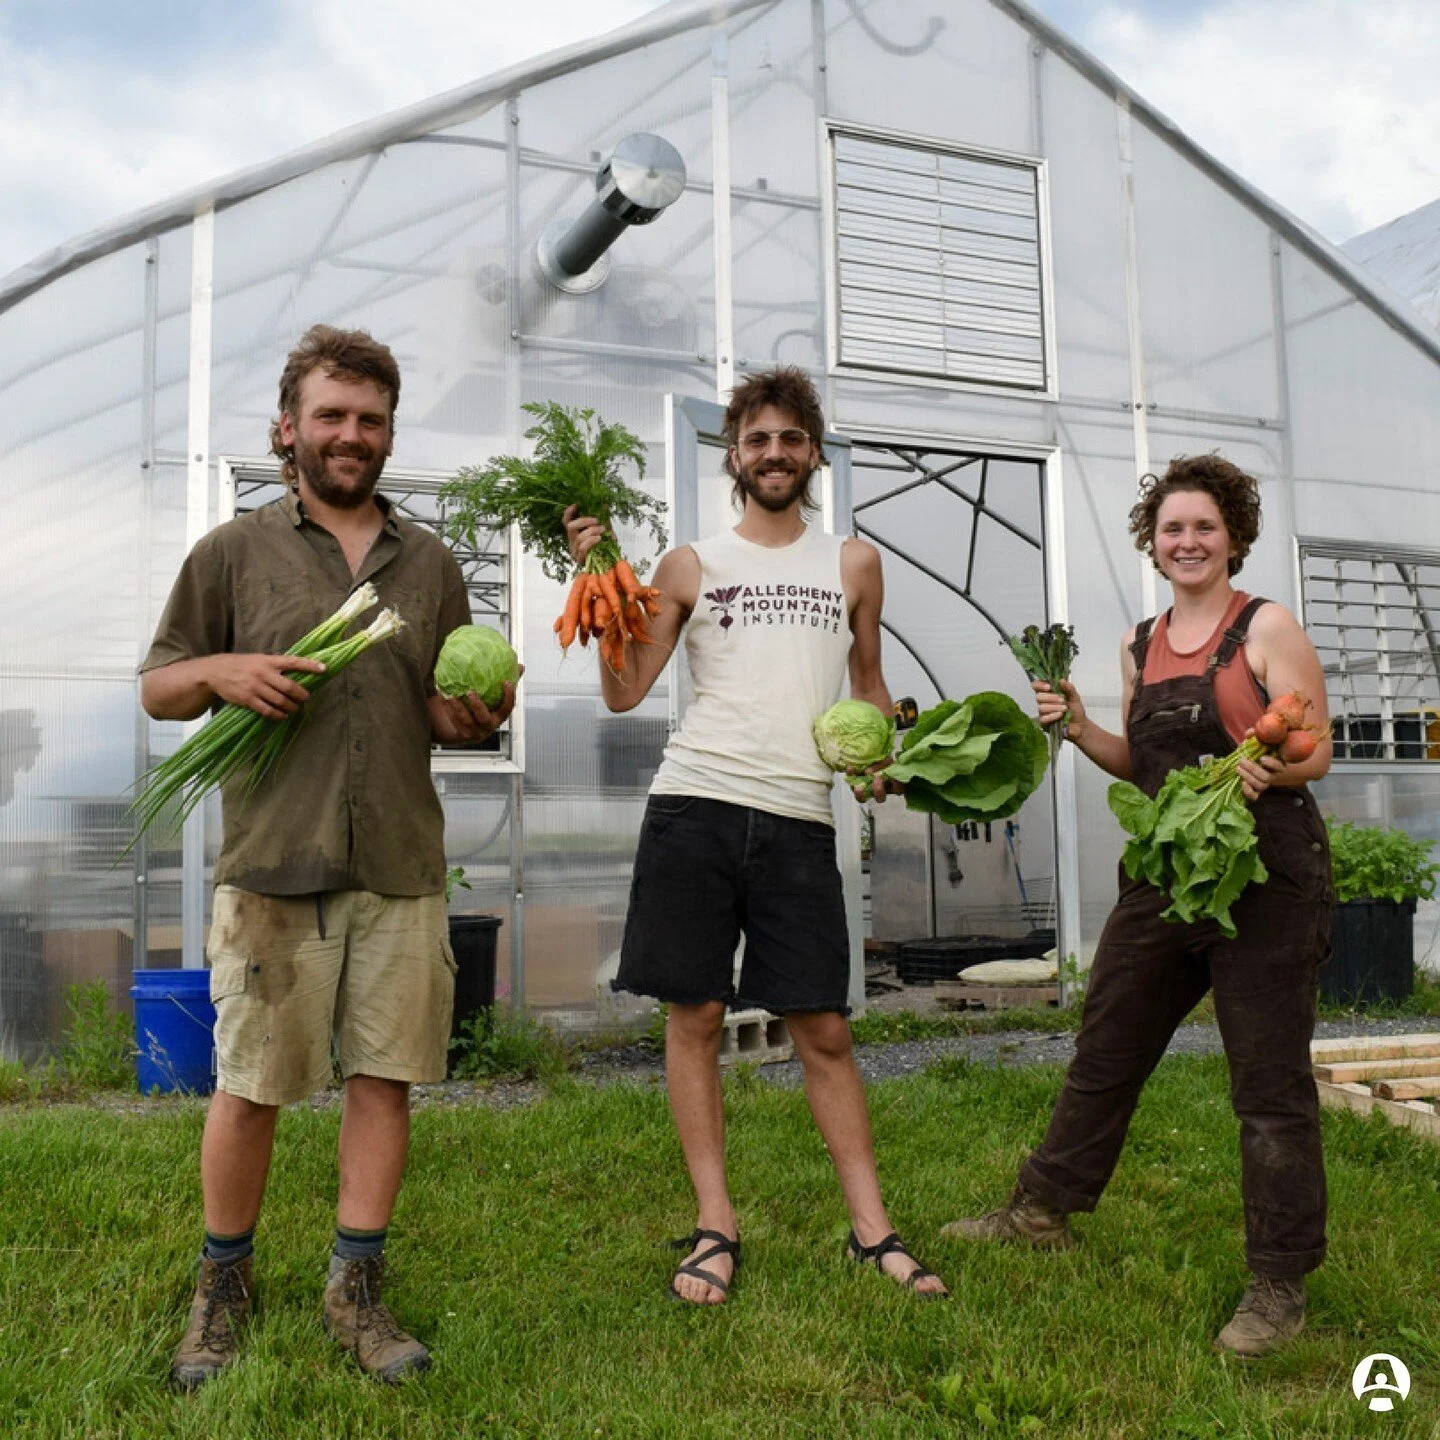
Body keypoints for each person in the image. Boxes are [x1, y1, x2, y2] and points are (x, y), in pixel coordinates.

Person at [141, 324, 518, 1388]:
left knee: (385, 1082)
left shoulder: (431, 563)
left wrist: (474, 711)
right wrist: (223, 670)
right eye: (331, 416)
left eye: (370, 419)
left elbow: (450, 714)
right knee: (252, 1086)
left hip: (399, 859)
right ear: (289, 428)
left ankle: (354, 1288)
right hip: (274, 859)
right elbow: (159, 686)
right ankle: (223, 1284)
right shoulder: (234, 553)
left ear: (388, 432)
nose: (351, 435)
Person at [564, 366, 946, 1304]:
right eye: (757, 439)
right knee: (693, 1015)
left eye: (792, 438)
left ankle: (874, 1230)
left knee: (822, 1025)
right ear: (732, 455)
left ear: (813, 454)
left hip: (799, 818)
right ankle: (714, 1226)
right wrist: (596, 576)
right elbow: (623, 692)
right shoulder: (690, 564)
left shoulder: (852, 563)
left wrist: (880, 752)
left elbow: (866, 679)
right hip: (694, 807)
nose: (775, 453)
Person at [942, 455, 1333, 1357]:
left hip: (1265, 873)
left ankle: (1278, 1281)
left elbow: (1314, 748)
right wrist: (1079, 725)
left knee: (1268, 1082)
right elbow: (1141, 763)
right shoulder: (1138, 642)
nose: (1187, 541)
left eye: (1204, 526)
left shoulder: (1265, 626)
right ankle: (1042, 1209)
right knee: (1108, 1043)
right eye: (1172, 529)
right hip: (1168, 869)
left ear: (1233, 536)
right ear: (1152, 543)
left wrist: (1270, 766)